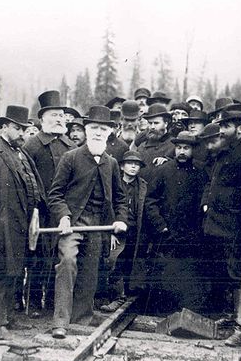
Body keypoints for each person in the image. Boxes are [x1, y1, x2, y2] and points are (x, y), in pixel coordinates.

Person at [47, 106, 129, 339]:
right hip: (72, 225)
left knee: (90, 272)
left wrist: (120, 220)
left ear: (109, 133)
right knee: (68, 263)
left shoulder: (111, 163)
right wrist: (63, 215)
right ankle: (60, 322)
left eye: (102, 129)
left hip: (97, 227)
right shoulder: (70, 158)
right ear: (85, 130)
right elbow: (55, 194)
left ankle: (81, 318)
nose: (97, 133)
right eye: (93, 128)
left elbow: (121, 197)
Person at [0, 106, 44, 339]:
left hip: (20, 225)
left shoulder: (21, 153)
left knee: (14, 272)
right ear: (4, 128)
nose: (22, 133)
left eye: (24, 129)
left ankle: (8, 316)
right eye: (17, 128)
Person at [23, 91, 75, 315]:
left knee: (60, 257)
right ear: (42, 119)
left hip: (63, 212)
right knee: (37, 259)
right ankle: (34, 302)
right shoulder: (31, 146)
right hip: (39, 212)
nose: (59, 119)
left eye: (62, 115)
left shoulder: (71, 146)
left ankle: (55, 302)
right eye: (54, 115)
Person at [200, 110, 241, 319]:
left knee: (234, 270)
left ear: (240, 129)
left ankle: (237, 318)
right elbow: (212, 180)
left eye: (226, 126)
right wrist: (206, 202)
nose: (221, 131)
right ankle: (224, 313)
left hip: (233, 220)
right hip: (216, 218)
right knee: (220, 266)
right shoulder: (225, 149)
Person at [144, 132, 206, 313]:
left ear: (193, 150)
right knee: (165, 275)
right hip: (166, 234)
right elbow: (150, 201)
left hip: (191, 236)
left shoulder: (201, 172)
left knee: (188, 275)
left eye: (186, 148)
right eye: (179, 147)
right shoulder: (163, 170)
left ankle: (186, 314)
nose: (181, 152)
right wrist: (160, 224)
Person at [100, 150, 148, 313]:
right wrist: (110, 231)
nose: (134, 167)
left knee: (129, 262)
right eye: (130, 163)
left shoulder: (142, 186)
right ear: (121, 166)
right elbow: (107, 207)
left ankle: (125, 296)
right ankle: (116, 297)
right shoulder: (114, 183)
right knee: (114, 262)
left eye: (137, 164)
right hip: (117, 230)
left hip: (135, 230)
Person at [133, 104, 175, 179]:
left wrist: (169, 162)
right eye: (150, 123)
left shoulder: (173, 145)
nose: (152, 127)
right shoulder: (141, 146)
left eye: (156, 123)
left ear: (165, 124)